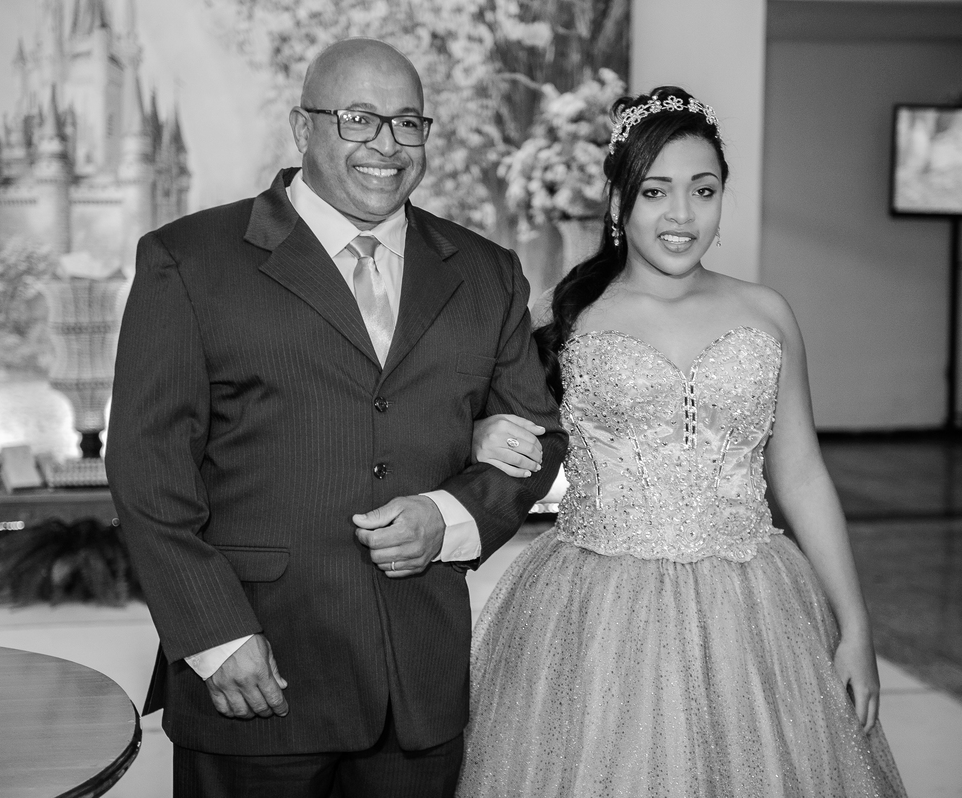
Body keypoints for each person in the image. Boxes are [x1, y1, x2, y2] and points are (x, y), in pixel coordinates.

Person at [105, 38, 566, 798]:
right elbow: (147, 467)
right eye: (359, 119)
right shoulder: (188, 260)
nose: (387, 145)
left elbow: (538, 437)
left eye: (408, 123)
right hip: (256, 675)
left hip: (416, 687)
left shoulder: (487, 272)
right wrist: (214, 635)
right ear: (303, 127)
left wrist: (447, 517)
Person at [457, 87, 907, 797]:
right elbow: (495, 426)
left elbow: (802, 474)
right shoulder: (562, 318)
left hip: (752, 607)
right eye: (656, 191)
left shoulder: (766, 312)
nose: (682, 215)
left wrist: (856, 626)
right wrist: (482, 429)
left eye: (703, 190)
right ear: (618, 202)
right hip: (596, 608)